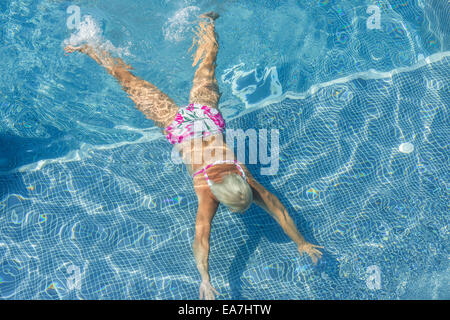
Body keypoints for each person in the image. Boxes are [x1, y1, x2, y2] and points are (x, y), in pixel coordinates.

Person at [65, 12, 323, 300]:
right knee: (130, 82)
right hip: (179, 126)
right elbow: (203, 240)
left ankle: (205, 19)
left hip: (206, 116)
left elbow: (279, 212)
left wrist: (302, 243)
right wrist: (205, 279)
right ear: (221, 192)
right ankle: (91, 46)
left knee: (203, 63)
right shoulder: (208, 193)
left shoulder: (243, 177)